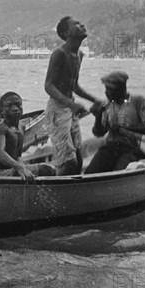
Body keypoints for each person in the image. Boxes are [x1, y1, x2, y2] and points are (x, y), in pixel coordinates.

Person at [44, 16, 102, 175]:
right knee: (68, 161)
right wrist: (71, 104)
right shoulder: (59, 54)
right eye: (76, 24)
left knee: (78, 158)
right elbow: (48, 86)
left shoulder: (79, 55)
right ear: (65, 33)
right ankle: (56, 193)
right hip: (58, 109)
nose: (82, 24)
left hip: (70, 108)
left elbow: (74, 86)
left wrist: (94, 100)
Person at [85, 71, 145, 174]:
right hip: (110, 148)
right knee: (89, 173)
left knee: (118, 174)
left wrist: (124, 128)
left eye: (110, 90)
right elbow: (99, 133)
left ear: (121, 89)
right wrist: (98, 117)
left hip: (131, 149)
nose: (106, 93)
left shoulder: (138, 101)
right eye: (106, 89)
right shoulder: (107, 105)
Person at [0, 91, 55, 180]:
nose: (15, 109)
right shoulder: (1, 128)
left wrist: (23, 167)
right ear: (2, 111)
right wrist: (19, 167)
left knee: (48, 169)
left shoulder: (21, 126)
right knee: (40, 170)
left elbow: (17, 156)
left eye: (18, 104)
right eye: (9, 106)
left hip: (9, 170)